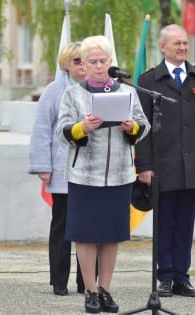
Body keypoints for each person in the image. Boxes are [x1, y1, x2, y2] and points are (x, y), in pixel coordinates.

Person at [56, 35, 150, 314]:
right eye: (92, 61)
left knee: (111, 235)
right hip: (85, 176)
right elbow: (62, 131)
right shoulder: (72, 95)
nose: (99, 66)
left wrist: (131, 126)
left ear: (111, 63)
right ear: (83, 65)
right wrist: (82, 127)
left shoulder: (127, 92)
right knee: (85, 234)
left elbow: (143, 126)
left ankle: (106, 289)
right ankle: (90, 291)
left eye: (103, 61)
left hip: (119, 175)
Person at [134, 24, 195, 298]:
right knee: (164, 222)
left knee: (185, 222)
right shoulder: (149, 82)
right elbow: (141, 128)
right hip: (162, 166)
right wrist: (144, 165)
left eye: (185, 43)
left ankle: (182, 276)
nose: (182, 48)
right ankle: (165, 276)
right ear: (162, 47)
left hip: (192, 164)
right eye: (176, 44)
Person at [28, 42, 87, 296]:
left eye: (86, 60)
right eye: (77, 61)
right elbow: (42, 129)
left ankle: (87, 282)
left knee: (89, 228)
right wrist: (43, 166)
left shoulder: (98, 89)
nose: (83, 65)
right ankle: (59, 280)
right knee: (62, 226)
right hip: (63, 170)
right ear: (65, 64)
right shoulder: (54, 91)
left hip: (91, 173)